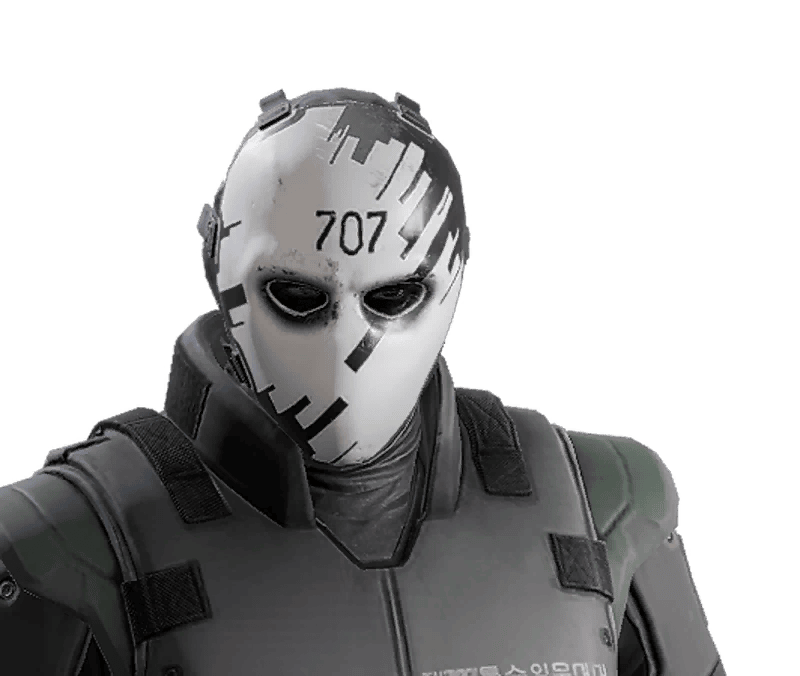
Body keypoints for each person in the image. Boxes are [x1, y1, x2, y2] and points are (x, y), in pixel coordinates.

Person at [0, 87, 726, 676]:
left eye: (390, 297)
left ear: (450, 278)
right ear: (222, 272)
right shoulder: (64, 544)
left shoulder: (607, 508)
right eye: (299, 296)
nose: (348, 348)